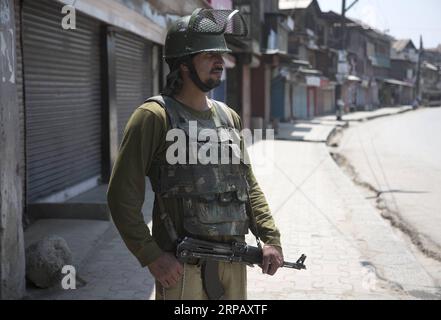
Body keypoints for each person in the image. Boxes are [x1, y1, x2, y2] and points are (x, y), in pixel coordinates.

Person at [107, 8, 283, 300]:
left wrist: (270, 238)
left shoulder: (229, 117)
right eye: (208, 54)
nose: (220, 61)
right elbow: (121, 196)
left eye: (220, 54)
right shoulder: (154, 116)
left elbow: (247, 184)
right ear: (184, 65)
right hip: (182, 268)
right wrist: (151, 255)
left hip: (234, 266)